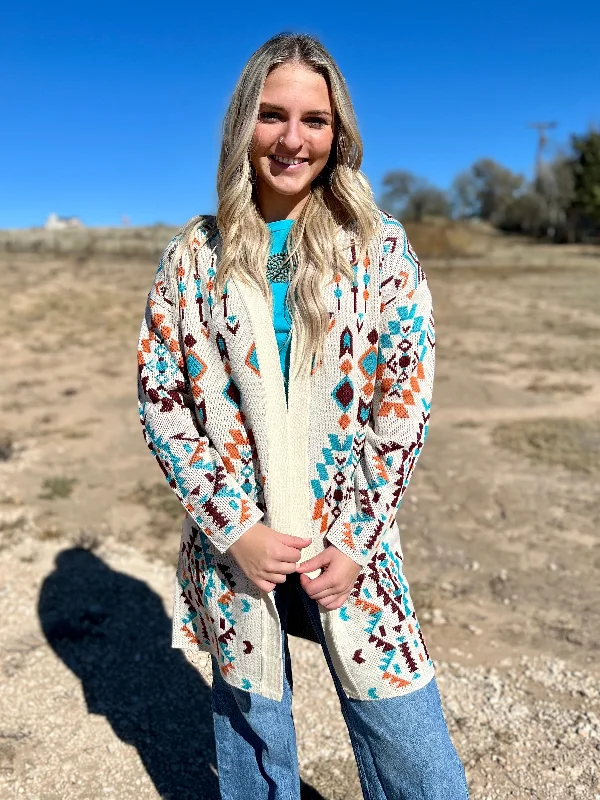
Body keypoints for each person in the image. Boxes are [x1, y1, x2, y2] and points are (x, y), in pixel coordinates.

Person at [137, 31, 469, 800]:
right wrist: (235, 530)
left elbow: (404, 404)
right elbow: (163, 405)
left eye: (313, 120)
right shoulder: (194, 257)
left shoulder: (379, 248)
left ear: (338, 132)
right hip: (238, 552)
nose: (292, 140)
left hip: (351, 550)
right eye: (272, 116)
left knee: (416, 756)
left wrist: (354, 540)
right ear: (241, 126)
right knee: (256, 758)